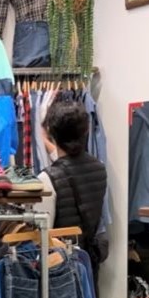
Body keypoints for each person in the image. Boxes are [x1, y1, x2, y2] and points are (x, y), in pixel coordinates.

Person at [38, 101, 108, 285]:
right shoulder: (99, 169)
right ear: (85, 131)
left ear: (53, 134)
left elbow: (43, 238)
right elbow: (72, 168)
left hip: (60, 270)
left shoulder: (47, 179)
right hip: (88, 263)